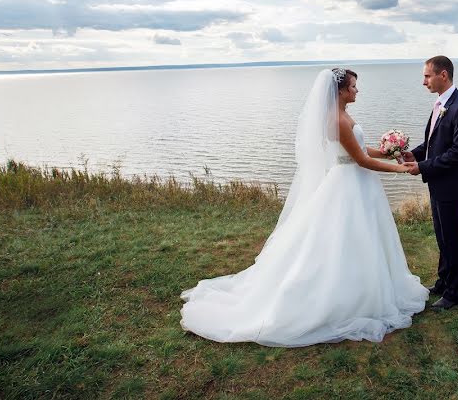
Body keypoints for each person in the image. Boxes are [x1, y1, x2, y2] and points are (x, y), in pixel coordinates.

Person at [180, 68, 428, 346]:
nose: (357, 90)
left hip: (356, 182)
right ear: (341, 91)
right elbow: (360, 161)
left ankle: (359, 288)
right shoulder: (337, 120)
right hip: (349, 183)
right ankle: (338, 296)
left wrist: (385, 151)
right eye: (354, 86)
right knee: (344, 238)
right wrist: (399, 169)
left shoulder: (342, 116)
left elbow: (358, 149)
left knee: (360, 238)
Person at [403, 56, 458, 311]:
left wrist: (422, 167)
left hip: (453, 186)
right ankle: (443, 282)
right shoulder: (441, 104)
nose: (424, 81)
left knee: (454, 239)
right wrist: (415, 153)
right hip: (438, 182)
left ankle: (454, 293)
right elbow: (435, 143)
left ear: (443, 75)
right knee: (442, 236)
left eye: (427, 76)